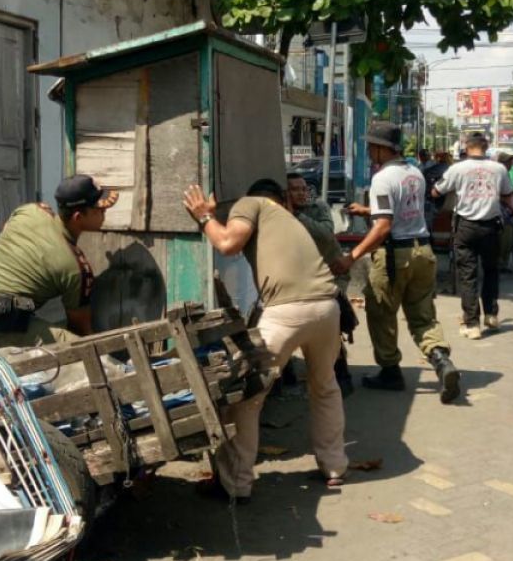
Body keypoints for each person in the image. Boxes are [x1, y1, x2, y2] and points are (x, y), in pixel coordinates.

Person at [182, 179, 347, 501]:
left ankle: (236, 484)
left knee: (248, 398)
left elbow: (227, 243)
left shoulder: (251, 203)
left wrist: (203, 217)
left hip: (286, 312)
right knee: (325, 387)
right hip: (327, 308)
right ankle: (335, 467)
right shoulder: (290, 219)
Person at [335, 121, 460, 403]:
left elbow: (383, 227)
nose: (368, 152)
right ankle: (441, 360)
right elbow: (402, 210)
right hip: (423, 252)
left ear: (383, 149)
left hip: (396, 256)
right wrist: (368, 209)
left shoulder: (382, 178)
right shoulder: (414, 172)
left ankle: (390, 370)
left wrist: (350, 258)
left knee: (380, 311)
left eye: (371, 147)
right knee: (422, 314)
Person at [0, 175, 117, 347]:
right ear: (78, 217)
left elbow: (6, 228)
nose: (104, 214)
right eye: (99, 210)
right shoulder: (76, 267)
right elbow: (81, 329)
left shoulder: (31, 211)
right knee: (83, 349)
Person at [433, 134, 513, 339]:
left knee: (467, 275)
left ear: (466, 147)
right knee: (491, 270)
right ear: (486, 147)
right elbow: (507, 195)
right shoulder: (499, 169)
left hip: (465, 227)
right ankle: (491, 314)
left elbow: (436, 191)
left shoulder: (457, 169)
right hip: (491, 227)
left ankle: (472, 324)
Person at [287, 173, 356, 396]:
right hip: (302, 278)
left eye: (303, 188)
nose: (301, 193)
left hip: (332, 274)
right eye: (295, 189)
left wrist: (296, 215)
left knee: (330, 324)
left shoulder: (318, 207)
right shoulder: (278, 213)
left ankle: (341, 374)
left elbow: (326, 234)